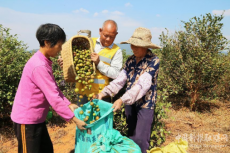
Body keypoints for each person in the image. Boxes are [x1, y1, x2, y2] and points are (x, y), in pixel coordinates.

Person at [11, 23, 86, 153]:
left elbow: (54, 88)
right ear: (47, 42)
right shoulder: (39, 65)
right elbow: (53, 97)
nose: (60, 49)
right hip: (27, 121)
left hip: (37, 119)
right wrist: (74, 119)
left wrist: (69, 104)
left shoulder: (44, 61)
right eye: (59, 45)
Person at [96, 27, 161, 153]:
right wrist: (103, 93)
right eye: (132, 44)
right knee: (131, 134)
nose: (133, 48)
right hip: (130, 103)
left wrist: (121, 100)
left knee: (141, 139)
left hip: (145, 104)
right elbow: (120, 80)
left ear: (146, 46)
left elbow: (142, 86)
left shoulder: (153, 61)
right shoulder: (130, 60)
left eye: (137, 45)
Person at [58, 20, 123, 103]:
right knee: (81, 115)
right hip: (83, 94)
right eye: (105, 35)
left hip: (101, 96)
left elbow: (116, 74)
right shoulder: (88, 42)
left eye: (112, 37)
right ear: (100, 31)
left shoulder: (116, 51)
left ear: (116, 34)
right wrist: (66, 64)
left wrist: (99, 63)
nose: (108, 39)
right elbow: (75, 61)